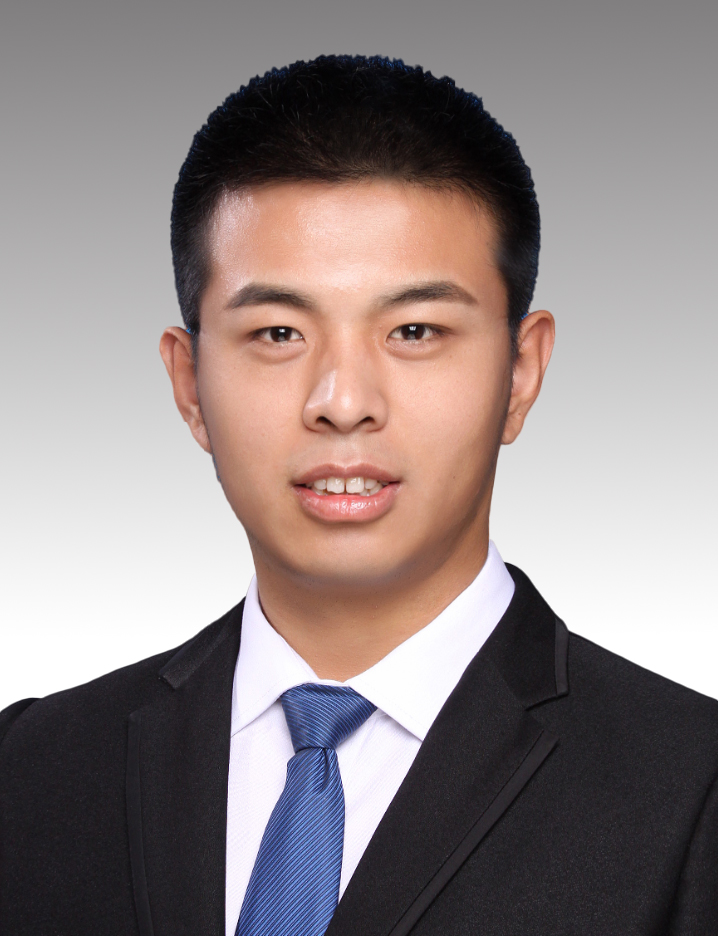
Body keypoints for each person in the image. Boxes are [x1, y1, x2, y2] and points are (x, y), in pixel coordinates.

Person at [1, 54, 716, 936]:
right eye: (278, 332)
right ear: (189, 384)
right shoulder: (32, 769)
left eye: (414, 330)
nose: (342, 401)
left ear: (521, 372)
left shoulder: (693, 788)